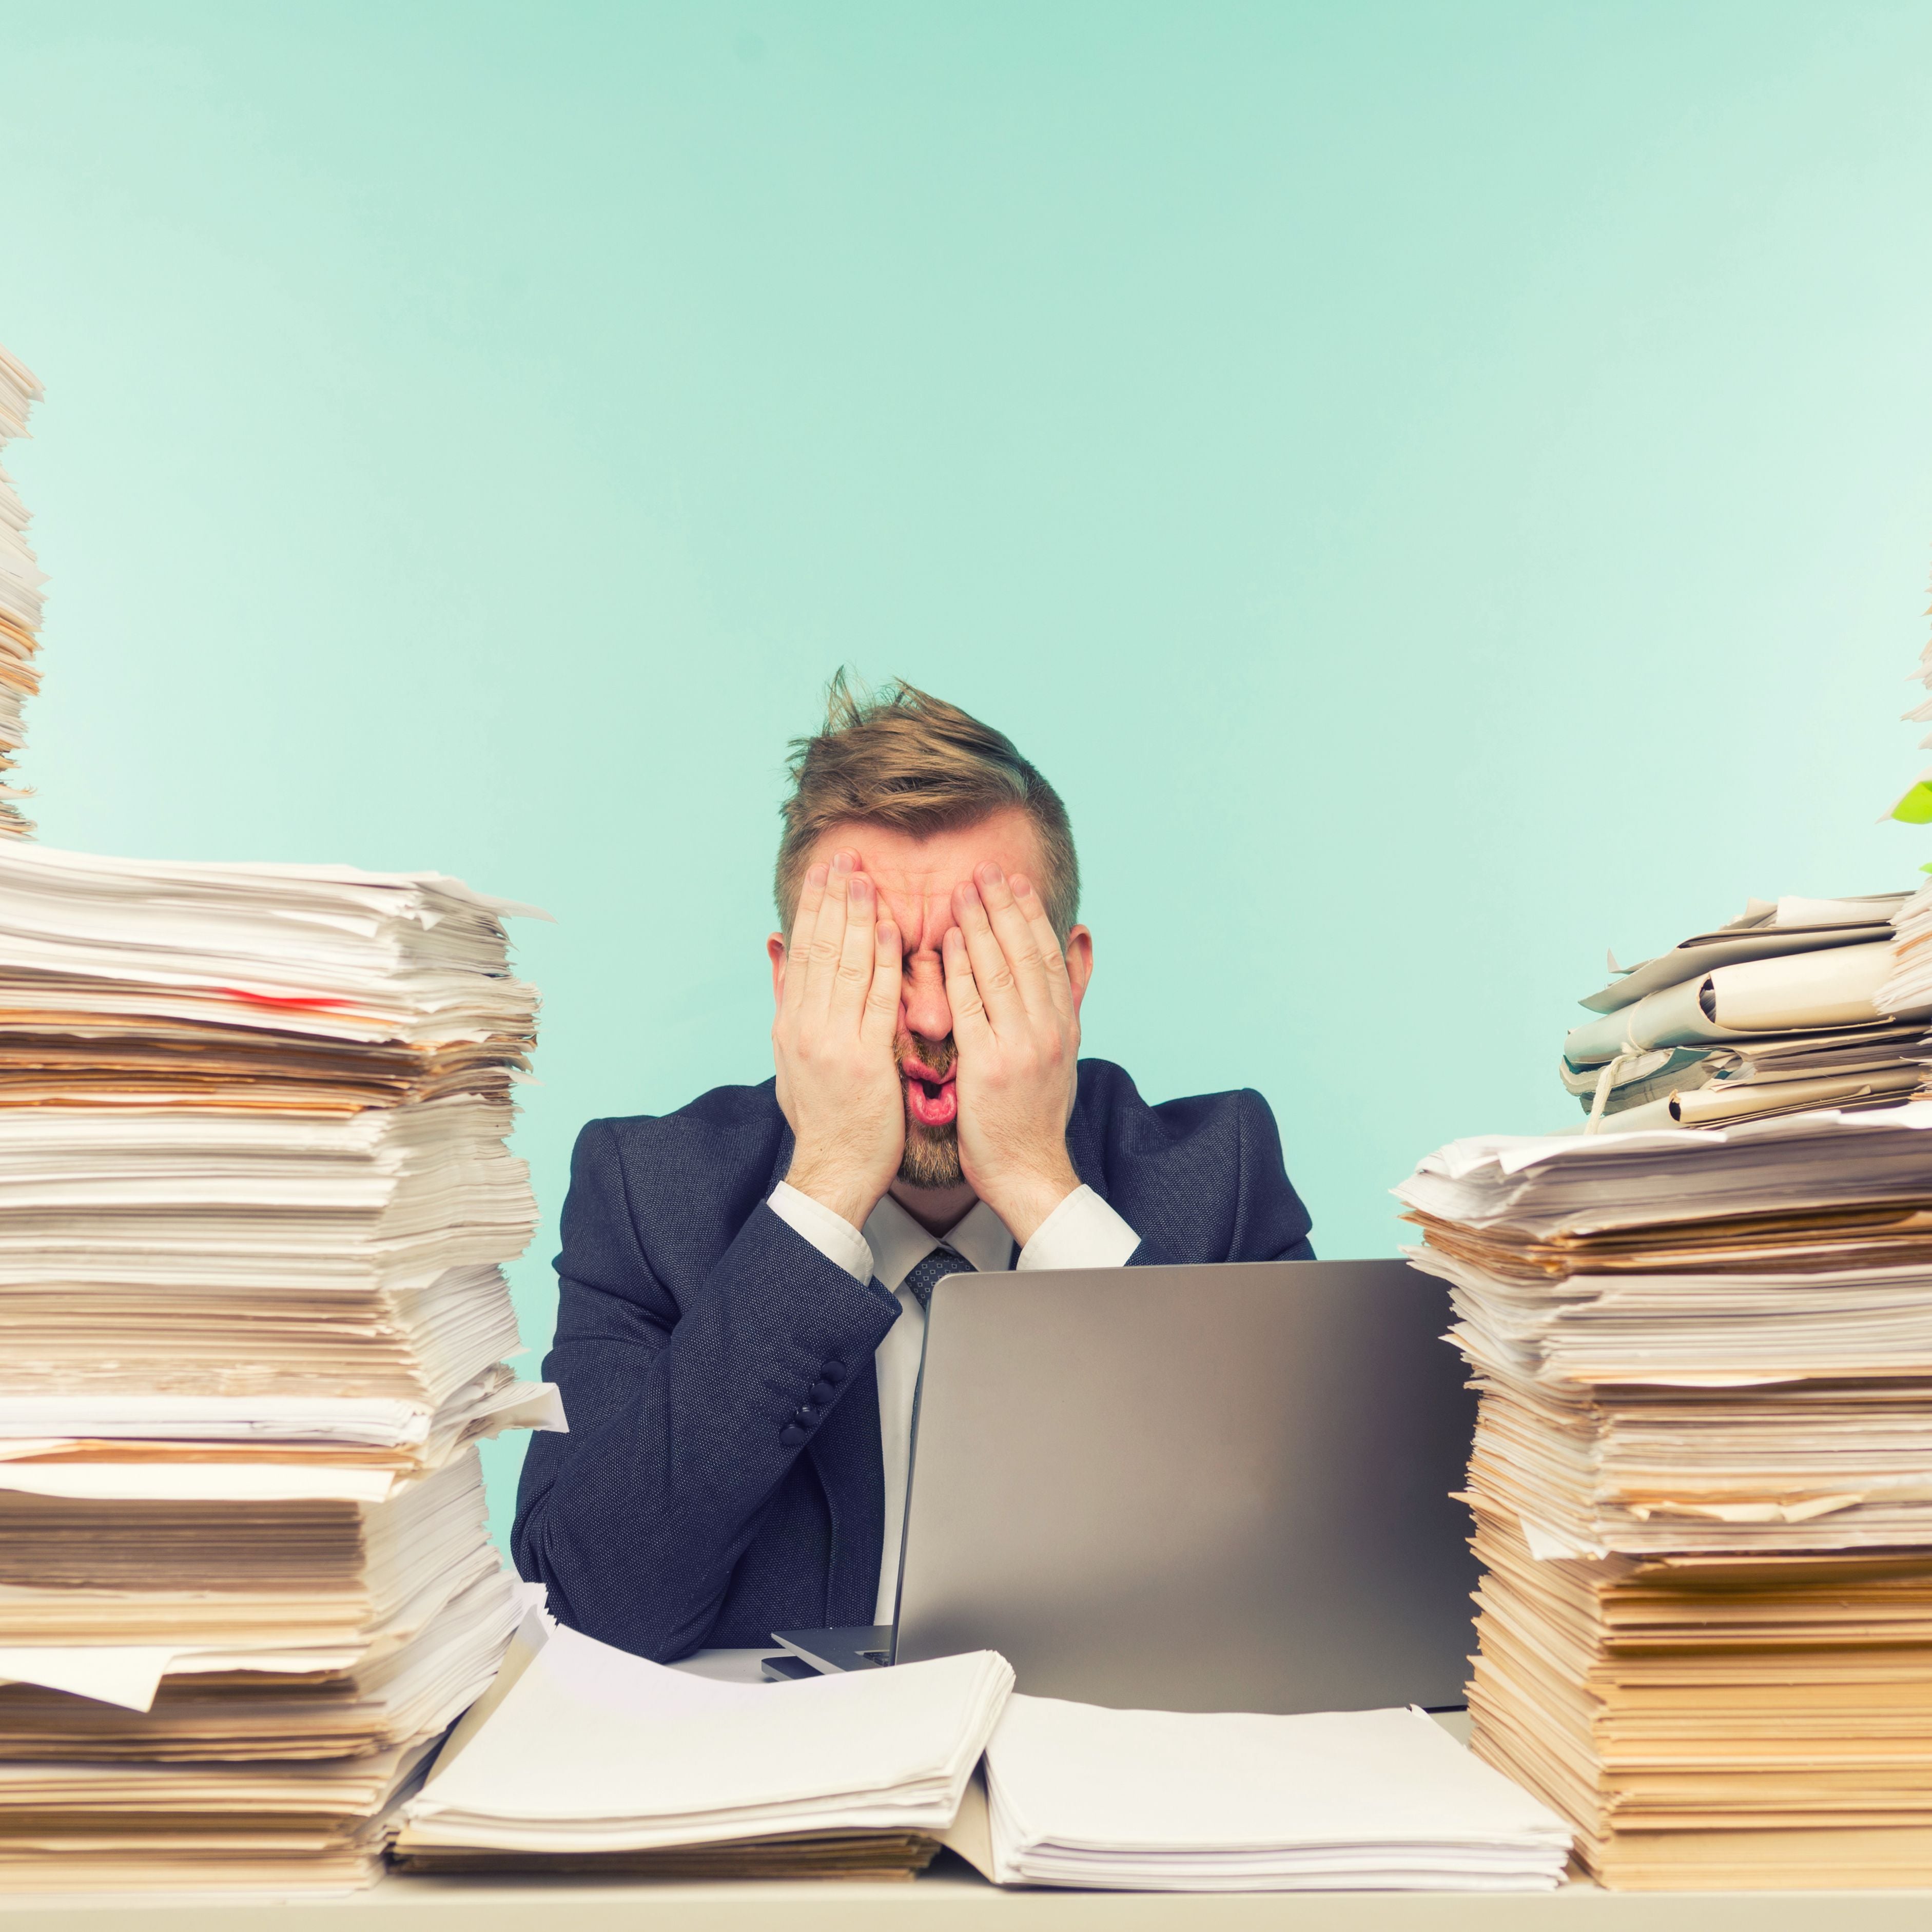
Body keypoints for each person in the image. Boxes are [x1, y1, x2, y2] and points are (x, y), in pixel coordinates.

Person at [512, 678, 1314, 1660]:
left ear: (1069, 974)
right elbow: (586, 1606)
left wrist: (1035, 1182)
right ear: (788, 981)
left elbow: (1307, 1582)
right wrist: (827, 1187)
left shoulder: (1219, 1178)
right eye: (877, 962)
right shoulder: (647, 1193)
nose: (932, 1020)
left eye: (981, 963)